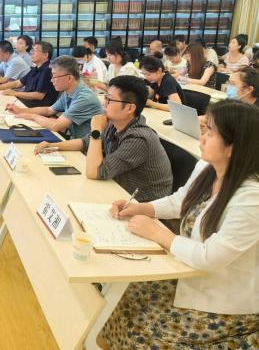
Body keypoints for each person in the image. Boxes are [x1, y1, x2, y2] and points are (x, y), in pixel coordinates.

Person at [100, 100, 259, 349]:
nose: (202, 137)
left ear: (233, 146)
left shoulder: (251, 199)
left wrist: (156, 232)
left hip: (221, 298)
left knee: (144, 332)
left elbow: (210, 257)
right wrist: (141, 208)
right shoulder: (208, 166)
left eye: (210, 132)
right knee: (125, 299)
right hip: (188, 274)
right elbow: (180, 201)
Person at [35, 76, 172, 202]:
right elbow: (85, 142)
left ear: (129, 108)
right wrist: (54, 146)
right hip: (117, 189)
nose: (105, 103)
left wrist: (96, 130)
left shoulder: (139, 139)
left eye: (110, 99)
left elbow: (94, 171)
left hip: (141, 205)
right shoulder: (115, 123)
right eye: (106, 97)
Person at [6, 55, 103, 138]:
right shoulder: (69, 91)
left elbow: (55, 125)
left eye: (55, 76)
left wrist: (32, 116)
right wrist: (21, 110)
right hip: (75, 140)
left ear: (69, 78)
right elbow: (49, 110)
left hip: (86, 148)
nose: (52, 80)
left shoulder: (84, 98)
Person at [0, 41, 58, 107]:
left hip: (35, 106)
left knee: (0, 104)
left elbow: (39, 95)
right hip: (27, 102)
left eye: (35, 51)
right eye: (32, 50)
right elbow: (18, 83)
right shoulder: (35, 69)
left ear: (45, 55)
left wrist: (15, 93)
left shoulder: (48, 70)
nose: (31, 53)